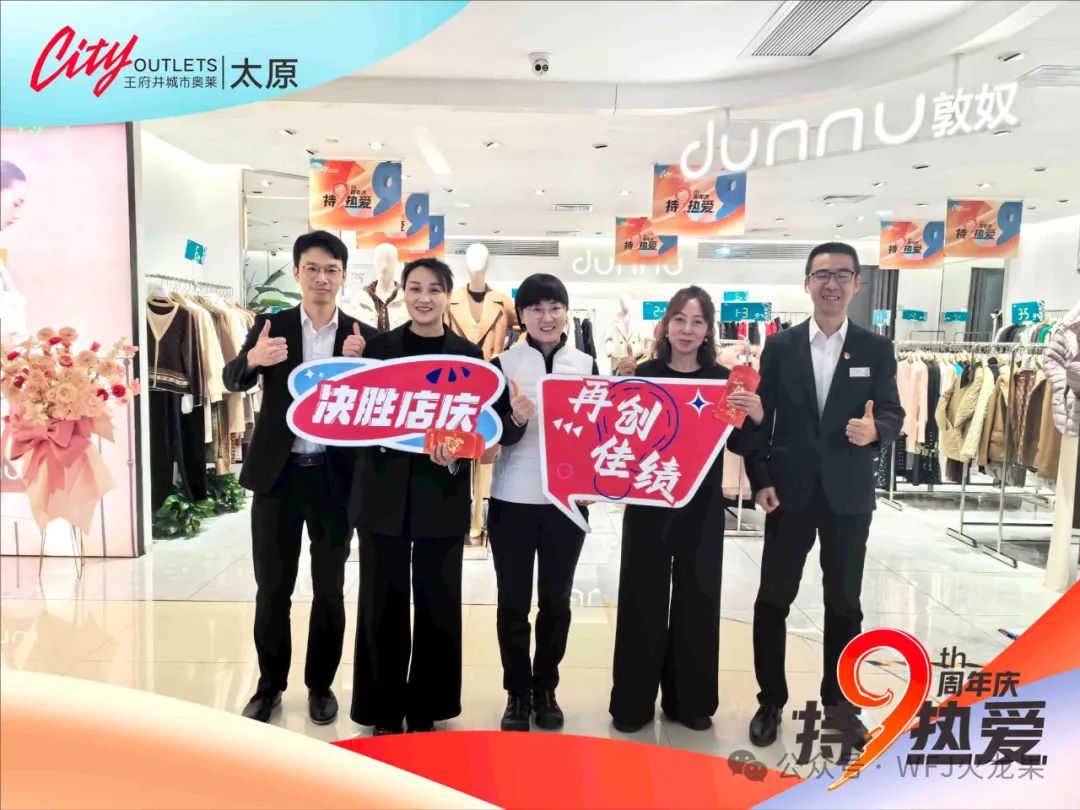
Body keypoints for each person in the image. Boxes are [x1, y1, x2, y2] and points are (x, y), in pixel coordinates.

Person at [746, 242, 903, 748]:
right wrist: (760, 478)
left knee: (845, 605)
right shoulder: (780, 347)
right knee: (773, 600)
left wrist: (876, 431)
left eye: (841, 275)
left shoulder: (875, 348)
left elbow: (893, 412)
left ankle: (840, 707)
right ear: (807, 283)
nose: (831, 284)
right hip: (788, 494)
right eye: (821, 275)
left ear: (856, 283)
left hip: (848, 496)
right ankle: (770, 700)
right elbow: (760, 419)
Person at [223, 230, 378, 725]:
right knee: (273, 588)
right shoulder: (272, 325)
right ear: (296, 272)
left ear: (343, 276)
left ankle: (321, 685)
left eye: (331, 270)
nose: (321, 278)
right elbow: (231, 378)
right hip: (278, 477)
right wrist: (254, 359)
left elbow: (376, 407)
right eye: (312, 268)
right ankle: (269, 686)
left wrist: (363, 366)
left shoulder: (361, 333)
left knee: (330, 589)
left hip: (335, 478)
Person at [608, 286, 764, 733]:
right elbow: (616, 434)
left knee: (699, 598)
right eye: (680, 319)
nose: (687, 329)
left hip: (702, 504)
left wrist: (755, 414)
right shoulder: (643, 373)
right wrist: (618, 387)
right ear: (666, 326)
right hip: (649, 502)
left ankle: (690, 701)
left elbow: (739, 443)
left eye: (697, 321)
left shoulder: (723, 380)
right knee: (641, 599)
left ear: (708, 329)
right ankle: (633, 703)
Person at [349, 257, 483, 736]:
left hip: (440, 494)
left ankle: (427, 705)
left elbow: (480, 430)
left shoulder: (468, 356)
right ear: (403, 292)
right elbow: (354, 418)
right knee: (380, 603)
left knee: (437, 603)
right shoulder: (377, 350)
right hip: (381, 494)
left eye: (434, 289)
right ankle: (383, 708)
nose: (423, 298)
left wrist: (457, 452)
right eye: (415, 288)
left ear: (448, 295)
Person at [485, 273, 598, 731]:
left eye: (554, 307)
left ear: (566, 313)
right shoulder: (501, 364)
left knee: (556, 603)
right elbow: (491, 438)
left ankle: (545, 687)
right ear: (522, 316)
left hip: (567, 506)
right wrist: (514, 419)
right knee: (512, 603)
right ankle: (516, 693)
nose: (546, 317)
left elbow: (598, 435)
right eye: (535, 308)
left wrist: (595, 482)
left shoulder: (587, 364)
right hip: (512, 498)